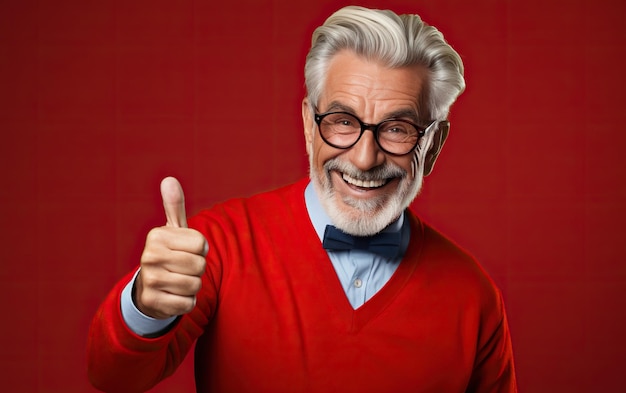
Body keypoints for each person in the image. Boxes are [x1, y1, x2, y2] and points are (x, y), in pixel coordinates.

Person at [88, 5, 517, 392]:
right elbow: (114, 377)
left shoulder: (474, 296)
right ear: (310, 126)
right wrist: (145, 302)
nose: (364, 159)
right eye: (342, 121)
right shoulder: (218, 244)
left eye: (397, 129)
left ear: (434, 145)